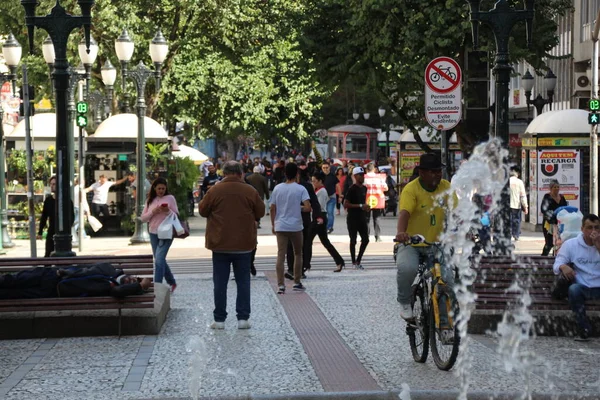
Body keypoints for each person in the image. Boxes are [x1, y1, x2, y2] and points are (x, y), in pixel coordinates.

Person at [394, 153, 455, 341]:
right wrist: (402, 233)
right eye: (433, 172)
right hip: (411, 243)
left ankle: (445, 326)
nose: (437, 175)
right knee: (407, 268)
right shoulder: (411, 189)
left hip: (436, 244)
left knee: (447, 280)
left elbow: (457, 211)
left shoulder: (446, 187)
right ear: (421, 172)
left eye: (439, 171)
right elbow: (404, 212)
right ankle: (405, 302)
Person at [199, 161, 265, 329]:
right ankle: (243, 318)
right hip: (244, 244)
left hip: (219, 243)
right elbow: (260, 212)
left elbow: (202, 210)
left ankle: (219, 319)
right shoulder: (250, 191)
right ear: (240, 173)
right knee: (243, 281)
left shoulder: (215, 190)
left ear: (225, 173)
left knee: (220, 282)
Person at [552, 214, 600, 341]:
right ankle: (583, 329)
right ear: (582, 229)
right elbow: (557, 264)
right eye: (589, 228)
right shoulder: (571, 245)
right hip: (582, 287)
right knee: (573, 289)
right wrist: (563, 266)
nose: (593, 231)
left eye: (597, 228)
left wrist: (598, 245)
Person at [0, 263, 151, 300]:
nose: (131, 280)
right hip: (54, 274)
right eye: (134, 278)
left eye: (132, 283)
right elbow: (86, 269)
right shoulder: (109, 269)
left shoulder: (111, 288)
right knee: (12, 280)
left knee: (13, 293)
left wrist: (139, 286)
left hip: (54, 291)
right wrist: (67, 271)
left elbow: (119, 292)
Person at [270, 163, 311, 294]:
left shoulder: (277, 188)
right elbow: (308, 207)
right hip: (296, 226)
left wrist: (273, 224)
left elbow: (272, 208)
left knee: (281, 255)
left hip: (280, 225)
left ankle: (280, 285)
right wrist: (298, 208)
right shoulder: (301, 189)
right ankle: (297, 282)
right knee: (298, 253)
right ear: (297, 174)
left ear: (284, 174)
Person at [140, 177, 178, 292]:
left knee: (159, 260)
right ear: (154, 188)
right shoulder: (150, 200)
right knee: (159, 259)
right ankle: (172, 282)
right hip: (153, 232)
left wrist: (167, 211)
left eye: (163, 188)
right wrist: (153, 212)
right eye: (159, 188)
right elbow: (143, 218)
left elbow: (176, 214)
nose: (161, 190)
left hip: (167, 233)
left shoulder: (170, 198)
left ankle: (157, 286)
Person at [311, 171, 345, 272]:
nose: (313, 183)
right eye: (312, 181)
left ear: (320, 181)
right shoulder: (319, 190)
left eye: (315, 181)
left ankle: (304, 265)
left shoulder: (322, 191)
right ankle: (339, 261)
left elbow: (319, 206)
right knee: (325, 242)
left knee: (308, 241)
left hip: (319, 217)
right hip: (319, 217)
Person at [343, 167, 370, 269]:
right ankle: (353, 262)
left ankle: (358, 260)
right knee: (353, 240)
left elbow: (363, 202)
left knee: (366, 240)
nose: (362, 177)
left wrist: (366, 207)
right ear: (355, 176)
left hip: (362, 217)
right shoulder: (351, 189)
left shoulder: (364, 188)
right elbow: (346, 204)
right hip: (352, 218)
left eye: (363, 175)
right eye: (360, 175)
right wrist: (359, 206)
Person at [541, 180, 568, 256]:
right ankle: (543, 259)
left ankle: (555, 259)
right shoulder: (547, 197)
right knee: (549, 243)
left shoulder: (562, 197)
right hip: (549, 223)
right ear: (550, 188)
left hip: (560, 223)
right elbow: (543, 209)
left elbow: (565, 208)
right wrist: (551, 218)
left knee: (558, 242)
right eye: (554, 187)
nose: (556, 189)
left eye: (558, 187)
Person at [364, 163, 388, 242]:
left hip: (367, 200)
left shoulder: (364, 178)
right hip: (377, 200)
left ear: (367, 170)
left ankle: (366, 236)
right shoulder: (380, 177)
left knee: (366, 218)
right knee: (377, 218)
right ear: (374, 169)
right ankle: (377, 237)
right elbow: (385, 188)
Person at [38, 176, 57, 257]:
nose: (52, 186)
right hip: (51, 232)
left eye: (54, 184)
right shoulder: (48, 201)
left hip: (62, 233)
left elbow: (71, 217)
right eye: (51, 184)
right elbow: (44, 217)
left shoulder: (66, 200)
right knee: (48, 254)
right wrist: (40, 232)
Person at [509, 167, 528, 241]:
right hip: (516, 205)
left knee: (509, 220)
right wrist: (525, 206)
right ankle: (516, 234)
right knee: (516, 220)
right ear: (517, 174)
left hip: (508, 205)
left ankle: (509, 234)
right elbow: (523, 195)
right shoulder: (519, 182)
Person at [321, 162, 338, 234]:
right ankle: (323, 227)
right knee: (322, 213)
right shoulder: (320, 176)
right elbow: (314, 184)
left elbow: (338, 186)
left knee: (330, 212)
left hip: (331, 197)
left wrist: (340, 195)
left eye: (326, 167)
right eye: (323, 168)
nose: (325, 169)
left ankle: (329, 227)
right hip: (322, 197)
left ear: (329, 168)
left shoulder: (333, 176)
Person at [72, 177, 90, 243]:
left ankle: (84, 236)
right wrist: (87, 210)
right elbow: (83, 201)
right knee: (76, 223)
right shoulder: (81, 190)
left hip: (74, 207)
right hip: (79, 208)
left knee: (79, 222)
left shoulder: (73, 189)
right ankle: (72, 236)